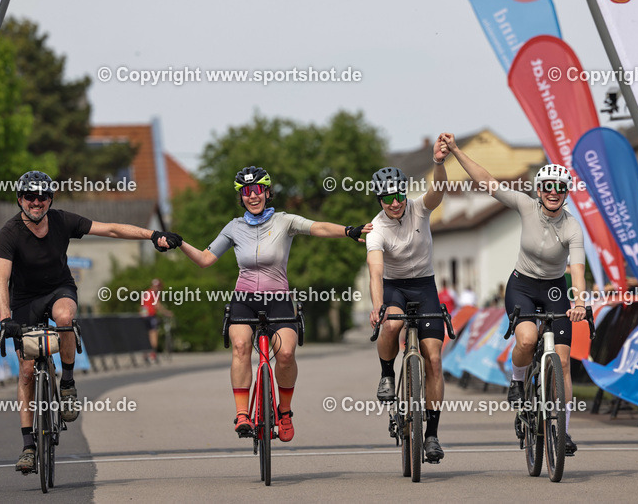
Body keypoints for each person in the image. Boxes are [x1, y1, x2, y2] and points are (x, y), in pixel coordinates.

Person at [0, 170, 182, 474]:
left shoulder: (62, 220)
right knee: (27, 372)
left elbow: (112, 230)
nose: (37, 202)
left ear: (50, 199)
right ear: (20, 199)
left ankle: (67, 383)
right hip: (24, 300)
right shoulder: (10, 232)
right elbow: (0, 279)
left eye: (43, 196)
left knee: (65, 317)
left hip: (59, 289)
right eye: (30, 196)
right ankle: (28, 445)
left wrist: (153, 234)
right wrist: (5, 320)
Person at [176, 166, 370, 442]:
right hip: (244, 300)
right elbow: (206, 259)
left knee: (287, 355)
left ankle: (285, 411)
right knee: (241, 346)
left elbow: (318, 227)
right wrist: (180, 243)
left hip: (278, 299)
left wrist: (348, 231)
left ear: (267, 192)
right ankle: (242, 414)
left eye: (257, 190)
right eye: (246, 192)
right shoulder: (234, 227)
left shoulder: (284, 221)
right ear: (241, 196)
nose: (252, 196)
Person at [441, 134, 587, 456]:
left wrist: (578, 301)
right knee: (527, 339)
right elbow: (488, 182)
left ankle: (563, 431)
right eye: (547, 187)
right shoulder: (525, 205)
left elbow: (576, 269)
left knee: (562, 362)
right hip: (521, 285)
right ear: (538, 191)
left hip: (554, 288)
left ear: (565, 194)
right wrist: (456, 152)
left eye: (559, 188)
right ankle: (518, 381)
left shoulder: (572, 227)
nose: (553, 193)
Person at [368, 135, 450, 463]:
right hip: (395, 287)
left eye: (397, 195)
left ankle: (431, 435)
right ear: (379, 199)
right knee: (391, 325)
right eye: (386, 198)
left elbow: (438, 191)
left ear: (404, 192)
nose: (394, 202)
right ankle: (388, 373)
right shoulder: (376, 229)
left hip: (425, 285)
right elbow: (375, 271)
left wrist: (439, 163)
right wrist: (377, 305)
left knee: (433, 359)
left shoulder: (418, 208)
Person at [141, 278, 172, 362]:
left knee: (146, 335)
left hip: (144, 316)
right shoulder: (154, 294)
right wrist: (166, 313)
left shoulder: (146, 292)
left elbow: (143, 305)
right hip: (151, 316)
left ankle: (145, 353)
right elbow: (157, 306)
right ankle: (152, 354)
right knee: (153, 334)